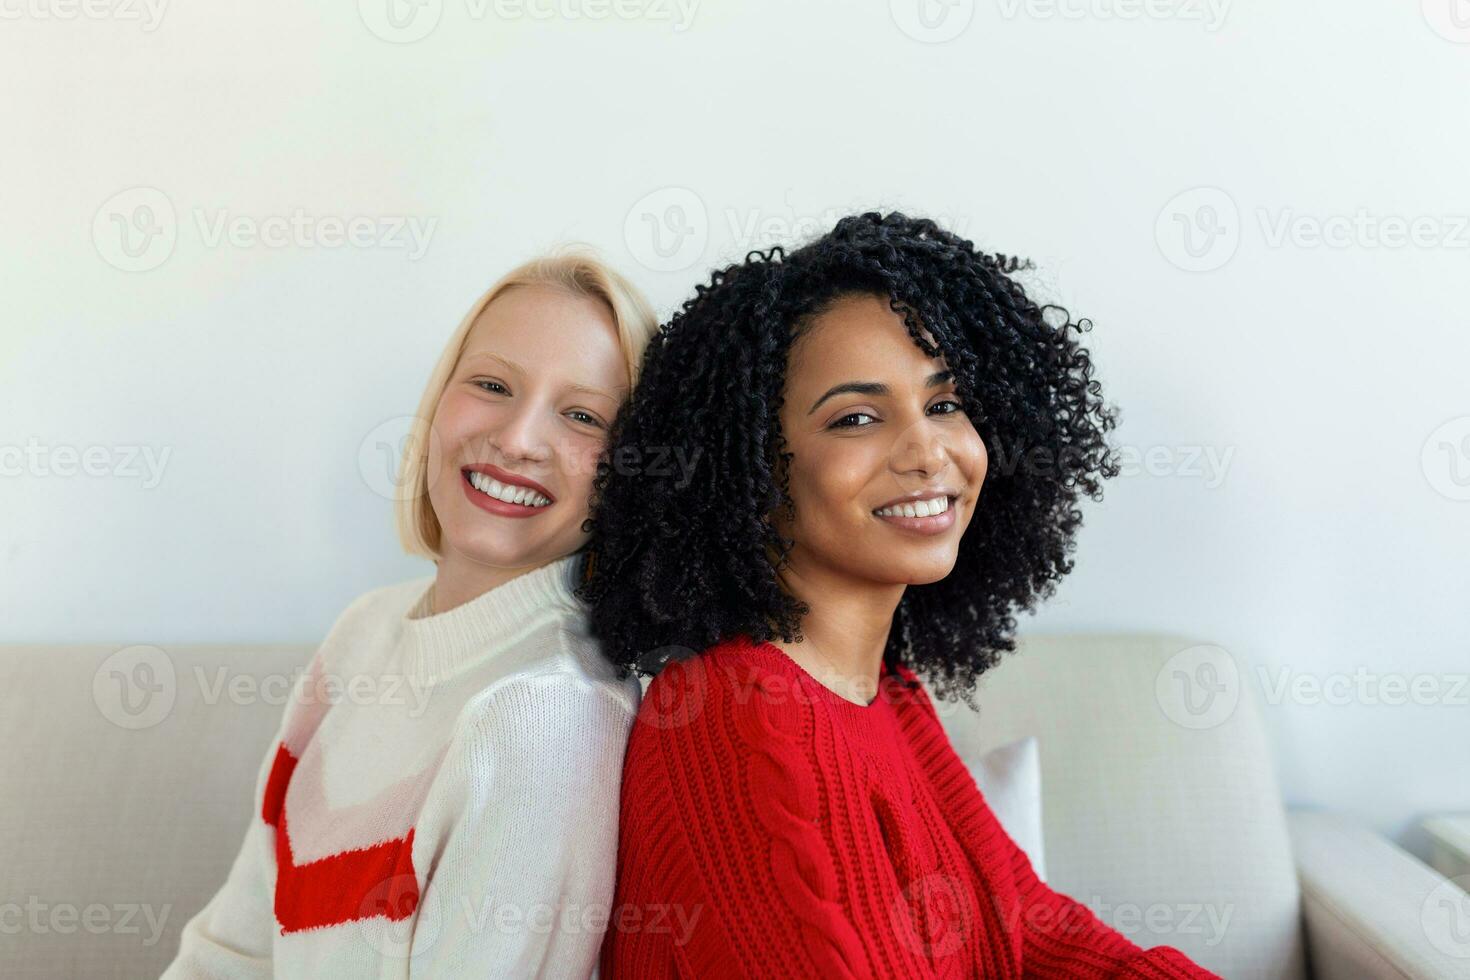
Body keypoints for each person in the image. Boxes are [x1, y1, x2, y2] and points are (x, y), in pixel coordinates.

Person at [582, 213, 1222, 978]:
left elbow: (1027, 927)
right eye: (856, 418)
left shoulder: (884, 690)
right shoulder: (732, 719)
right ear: (749, 472)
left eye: (944, 403)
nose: (927, 451)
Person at [164, 249, 660, 978]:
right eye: (492, 384)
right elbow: (230, 952)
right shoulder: (362, 634)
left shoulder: (547, 720)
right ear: (441, 399)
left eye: (583, 416)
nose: (518, 439)